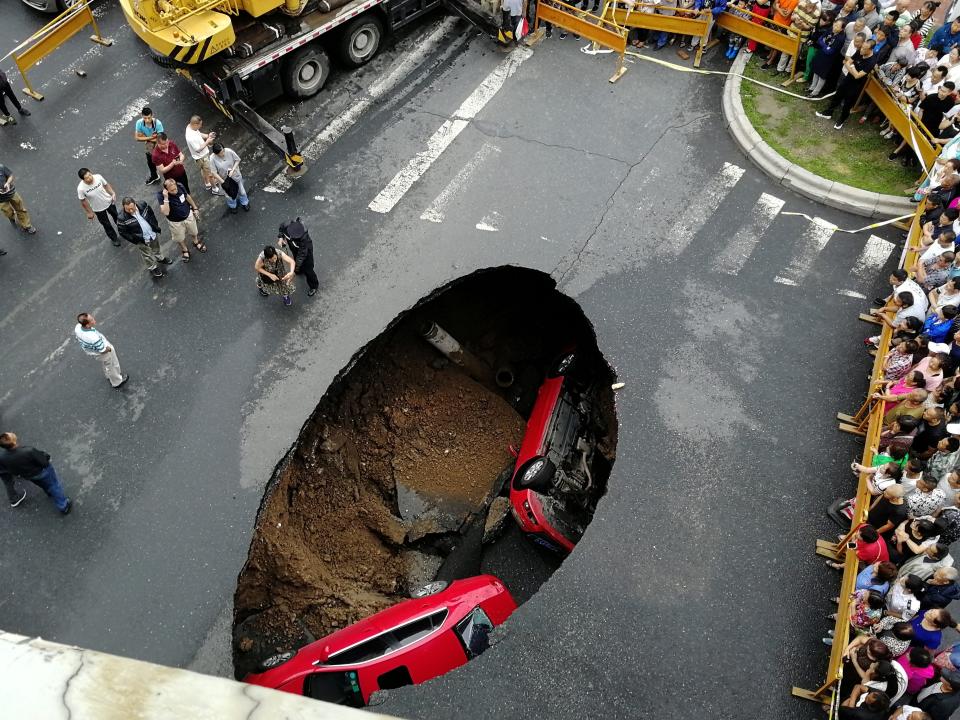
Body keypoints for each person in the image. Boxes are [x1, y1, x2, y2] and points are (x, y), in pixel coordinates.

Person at [0, 432, 70, 515]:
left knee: (42, 484)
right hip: (42, 472)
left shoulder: (2, 457)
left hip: (29, 476)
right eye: (10, 434)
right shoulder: (28, 451)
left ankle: (49, 492)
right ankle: (64, 506)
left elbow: (9, 470)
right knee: (54, 485)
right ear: (13, 441)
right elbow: (44, 462)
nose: (11, 433)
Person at [815, 37, 877, 129]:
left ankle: (841, 120)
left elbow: (857, 76)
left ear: (871, 50)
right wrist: (852, 67)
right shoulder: (859, 51)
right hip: (847, 79)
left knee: (847, 104)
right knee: (837, 96)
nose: (861, 50)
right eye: (862, 47)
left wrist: (851, 66)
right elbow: (847, 62)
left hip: (856, 85)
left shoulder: (871, 61)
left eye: (865, 49)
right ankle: (828, 113)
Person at [116, 196, 173, 278]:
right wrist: (135, 240)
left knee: (156, 247)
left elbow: (151, 214)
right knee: (147, 254)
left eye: (132, 208)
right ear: (123, 207)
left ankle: (160, 258)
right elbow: (123, 232)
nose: (131, 211)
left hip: (152, 233)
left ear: (135, 203)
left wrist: (155, 226)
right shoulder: (121, 218)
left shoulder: (143, 204)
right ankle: (153, 267)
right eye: (128, 209)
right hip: (141, 239)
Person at [74, 312, 128, 389]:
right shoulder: (93, 337)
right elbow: (102, 350)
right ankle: (117, 382)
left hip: (92, 351)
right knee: (110, 365)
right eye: (92, 320)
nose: (94, 319)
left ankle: (108, 375)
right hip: (102, 351)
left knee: (105, 363)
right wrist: (109, 349)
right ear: (87, 325)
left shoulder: (78, 327)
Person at [157, 178, 204, 262]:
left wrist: (195, 208)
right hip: (175, 222)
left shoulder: (180, 186)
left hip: (188, 215)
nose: (175, 191)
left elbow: (187, 197)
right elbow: (166, 212)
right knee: (179, 238)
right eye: (172, 190)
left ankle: (196, 242)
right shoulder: (161, 195)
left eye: (175, 188)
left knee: (194, 232)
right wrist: (166, 197)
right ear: (166, 190)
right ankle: (184, 249)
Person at [77, 168, 120, 247]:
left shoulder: (98, 177)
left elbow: (106, 185)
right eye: (87, 178)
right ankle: (114, 238)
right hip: (98, 208)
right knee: (106, 224)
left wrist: (112, 193)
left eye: (90, 175)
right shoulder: (81, 188)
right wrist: (89, 212)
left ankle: (122, 229)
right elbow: (83, 201)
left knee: (117, 216)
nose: (90, 178)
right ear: (83, 179)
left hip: (109, 201)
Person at [277, 218, 319, 297]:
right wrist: (280, 238)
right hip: (294, 249)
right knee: (296, 259)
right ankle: (299, 270)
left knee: (308, 269)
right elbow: (281, 229)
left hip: (306, 252)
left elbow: (301, 256)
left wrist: (294, 268)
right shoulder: (286, 225)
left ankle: (314, 286)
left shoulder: (304, 238)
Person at [184, 115, 221, 195]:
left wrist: (208, 135)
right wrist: (207, 141)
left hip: (197, 158)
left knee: (203, 170)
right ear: (195, 124)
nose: (201, 126)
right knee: (210, 174)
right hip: (202, 157)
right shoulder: (190, 137)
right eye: (200, 124)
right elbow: (198, 149)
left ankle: (207, 183)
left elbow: (199, 134)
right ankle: (215, 188)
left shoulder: (190, 127)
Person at [208, 142, 249, 213]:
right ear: (216, 153)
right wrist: (223, 182)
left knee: (242, 191)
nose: (223, 153)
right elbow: (214, 172)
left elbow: (237, 160)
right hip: (224, 179)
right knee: (229, 195)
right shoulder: (212, 158)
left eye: (223, 151)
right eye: (221, 153)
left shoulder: (229, 151)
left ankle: (245, 202)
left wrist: (233, 170)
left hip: (235, 176)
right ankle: (233, 206)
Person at [0, 162, 36, 235]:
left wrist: (8, 183)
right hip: (1, 199)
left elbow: (11, 176)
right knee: (8, 213)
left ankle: (27, 225)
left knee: (20, 208)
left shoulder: (1, 167)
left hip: (11, 193)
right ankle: (11, 217)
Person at [134, 107, 163, 186]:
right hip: (150, 141)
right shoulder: (139, 123)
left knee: (162, 160)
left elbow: (160, 139)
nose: (147, 120)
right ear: (142, 116)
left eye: (149, 118)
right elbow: (137, 138)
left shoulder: (158, 123)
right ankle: (154, 176)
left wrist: (145, 137)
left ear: (152, 115)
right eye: (145, 118)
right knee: (150, 161)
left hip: (159, 143)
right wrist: (151, 138)